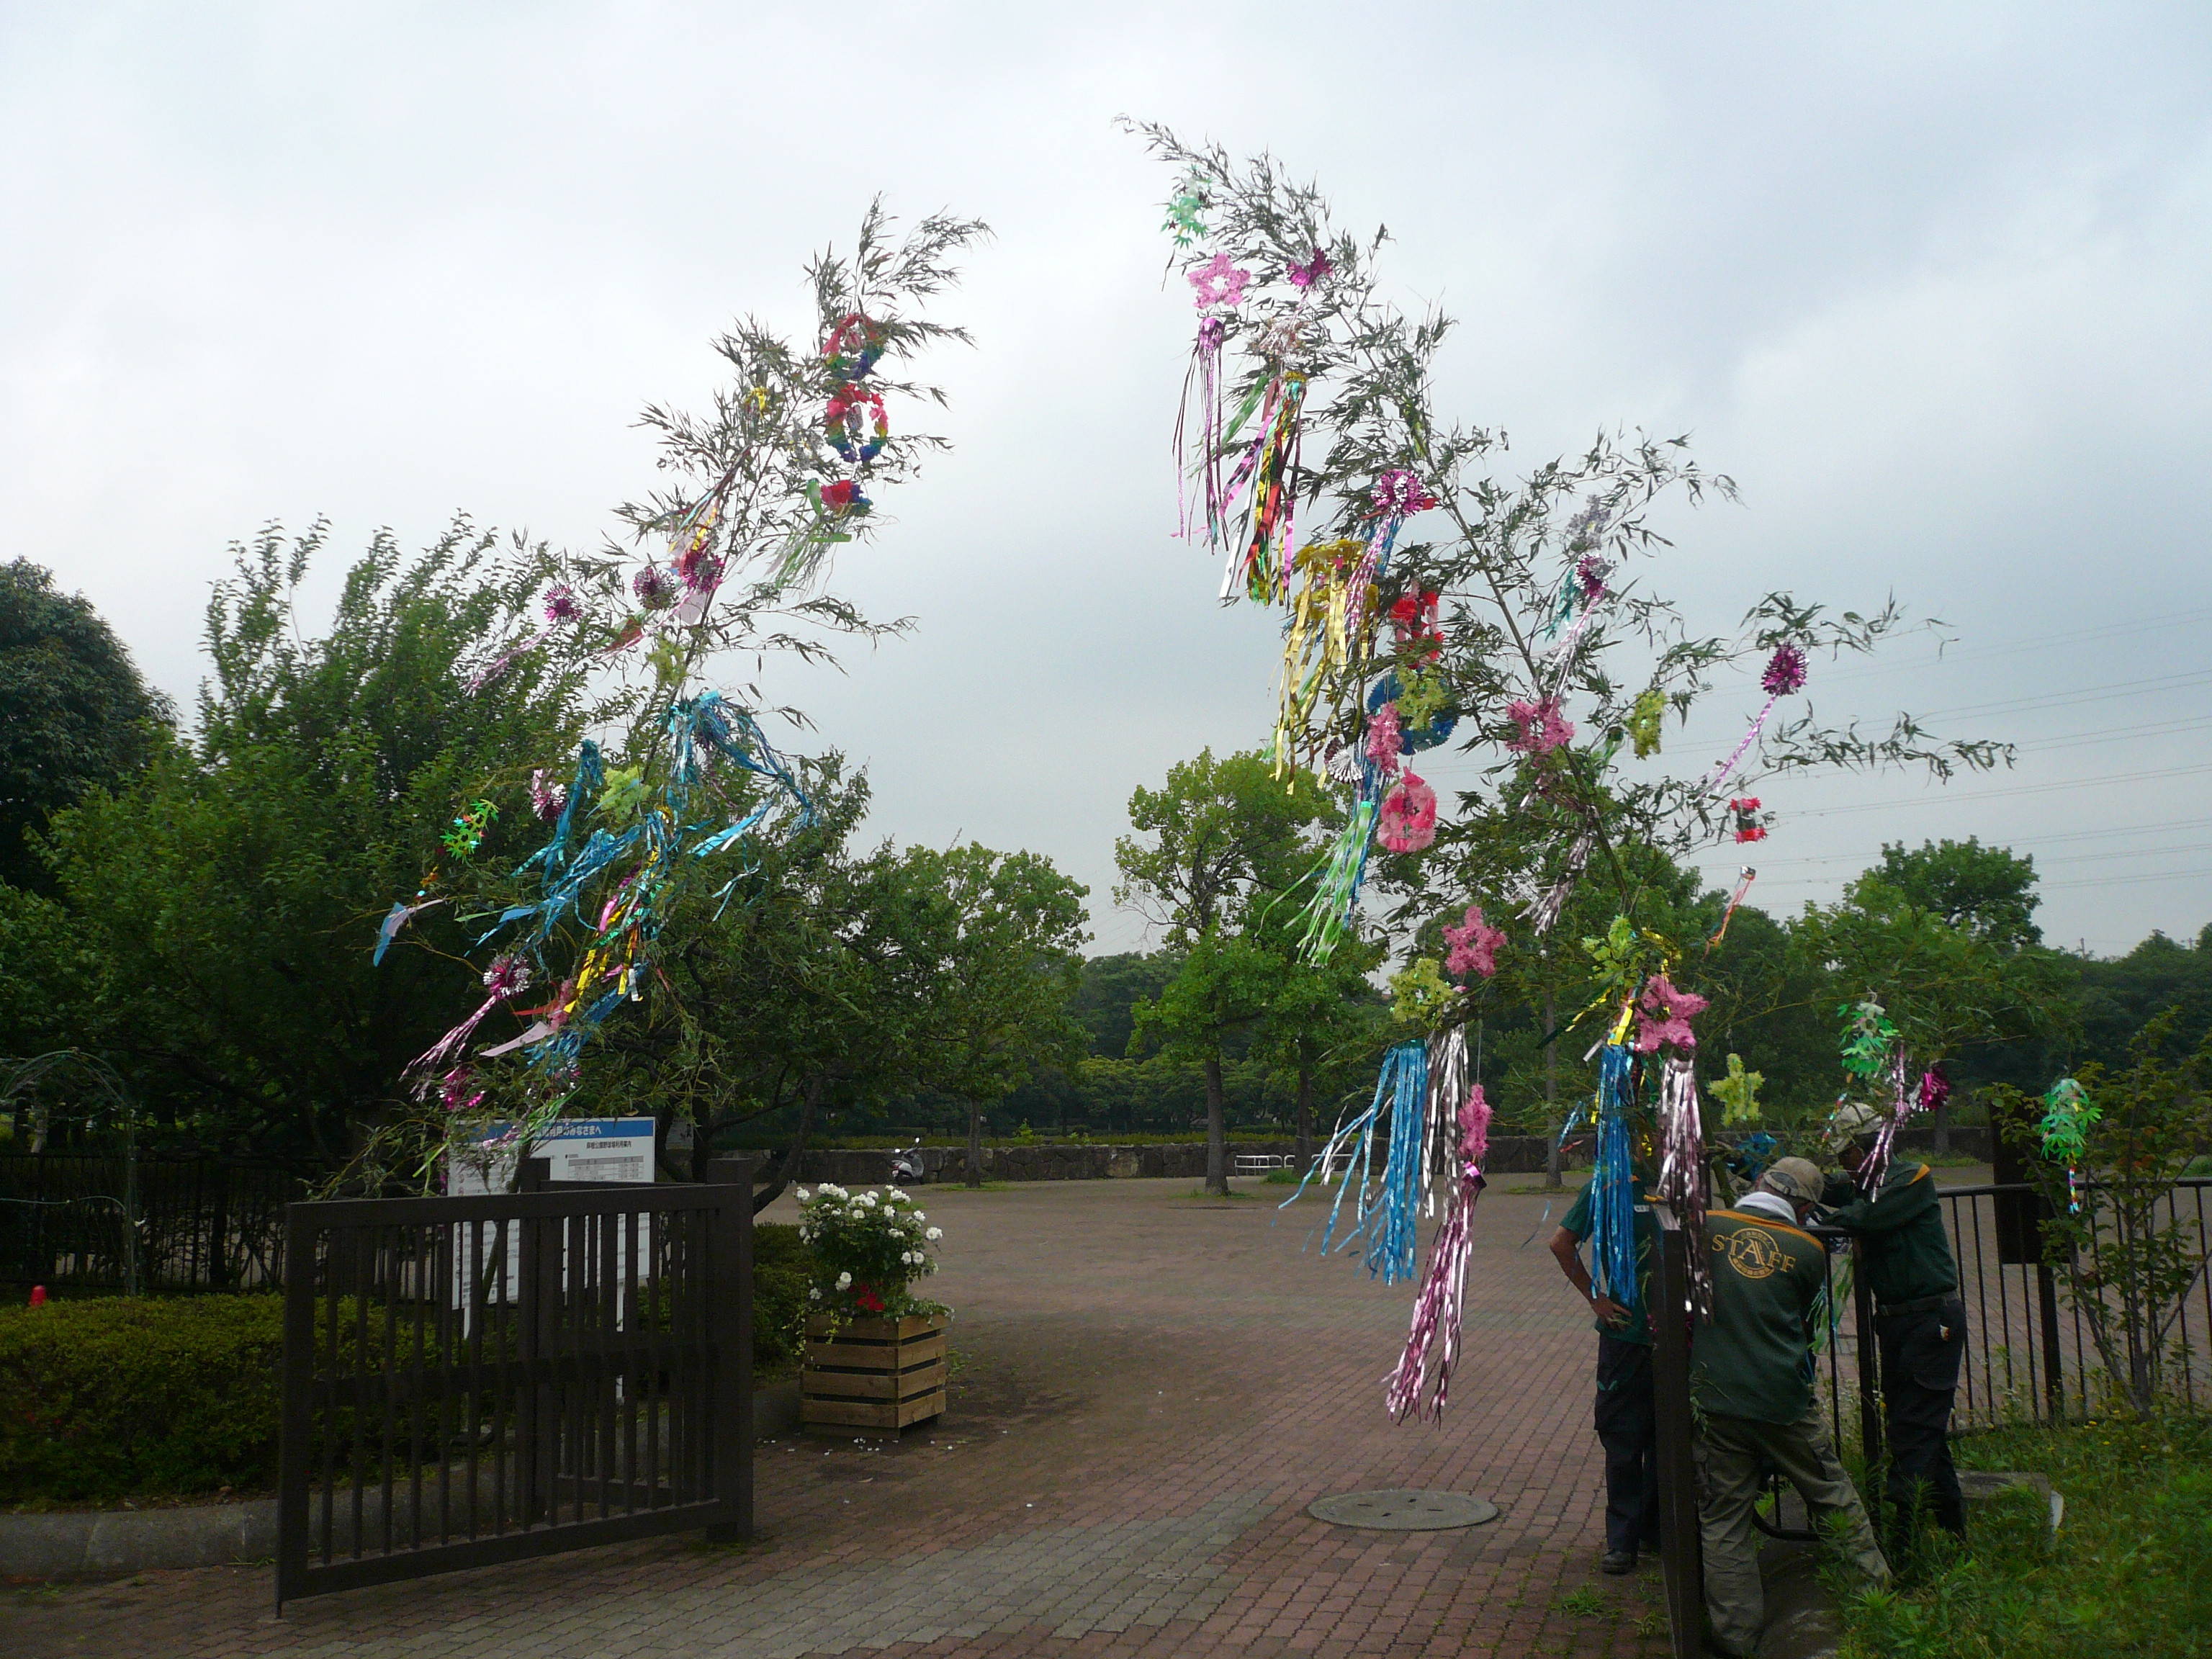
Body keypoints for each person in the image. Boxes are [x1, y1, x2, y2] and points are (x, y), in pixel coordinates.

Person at [1696, 1157, 1889, 1659]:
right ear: (1803, 1206)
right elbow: (1808, 1320)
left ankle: (1735, 1637)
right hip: (1781, 1399)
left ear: (1761, 1183)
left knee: (1724, 1517)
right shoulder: (1807, 1248)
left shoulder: (1707, 1227)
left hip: (1716, 1396)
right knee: (1829, 1491)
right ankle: (1876, 1598)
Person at [1821, 1101, 1968, 1552]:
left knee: (1910, 1433)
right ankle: (1953, 1534)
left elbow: (1866, 1216)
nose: (1843, 1164)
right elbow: (1831, 1189)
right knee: (1921, 1429)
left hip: (1930, 1322)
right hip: (1901, 1324)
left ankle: (1901, 1544)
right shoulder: (1869, 1185)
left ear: (1867, 1147)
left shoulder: (1910, 1179)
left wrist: (1824, 1221)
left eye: (1847, 1154)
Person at [1548, 1168, 1661, 1575]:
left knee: (1668, 1436)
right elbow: (1562, 1243)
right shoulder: (1609, 1186)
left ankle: (1658, 1530)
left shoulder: (1684, 1182)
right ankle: (1623, 1541)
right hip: (1627, 1335)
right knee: (1624, 1438)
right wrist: (1597, 1298)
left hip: (1678, 1336)